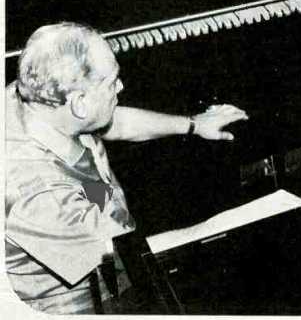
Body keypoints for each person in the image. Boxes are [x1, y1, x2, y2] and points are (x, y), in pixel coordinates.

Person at [5, 22, 249, 314]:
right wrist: (233, 225)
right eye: (112, 83)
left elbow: (113, 121)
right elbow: (125, 252)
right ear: (79, 102)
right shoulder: (37, 191)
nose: (121, 87)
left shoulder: (30, 99)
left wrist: (194, 124)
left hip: (103, 249)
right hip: (81, 299)